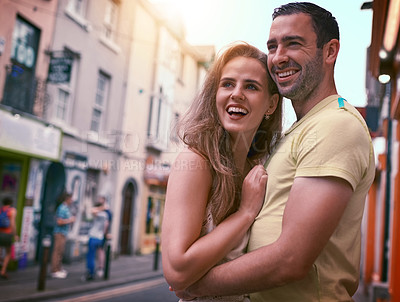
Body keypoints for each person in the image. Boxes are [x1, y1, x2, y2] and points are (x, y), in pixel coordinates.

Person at [173, 3, 376, 302]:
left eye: (293, 43)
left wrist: (195, 287)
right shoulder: (297, 132)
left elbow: (291, 260)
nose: (279, 57)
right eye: (273, 46)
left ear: (330, 51)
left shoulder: (335, 125)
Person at [162, 41, 283, 301]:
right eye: (227, 84)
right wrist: (245, 213)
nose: (236, 93)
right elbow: (177, 271)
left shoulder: (260, 172)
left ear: (271, 104)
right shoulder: (196, 163)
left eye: (251, 86)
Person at [82, 196, 110, 281]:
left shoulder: (98, 213)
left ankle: (91, 273)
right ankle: (100, 269)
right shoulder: (105, 215)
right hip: (100, 237)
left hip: (93, 237)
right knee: (100, 253)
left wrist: (100, 207)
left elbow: (92, 210)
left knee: (91, 256)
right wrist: (105, 234)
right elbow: (106, 226)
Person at [51, 192, 75, 279]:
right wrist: (70, 220)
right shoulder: (62, 208)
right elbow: (59, 221)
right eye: (71, 198)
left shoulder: (66, 208)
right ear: (67, 199)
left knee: (60, 251)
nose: (72, 200)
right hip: (59, 233)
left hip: (63, 233)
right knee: (57, 252)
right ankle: (54, 270)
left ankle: (58, 268)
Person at [0, 197, 18, 279]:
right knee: (8, 253)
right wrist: (15, 234)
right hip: (7, 233)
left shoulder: (1, 210)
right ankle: (3, 270)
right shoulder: (12, 210)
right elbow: (12, 223)